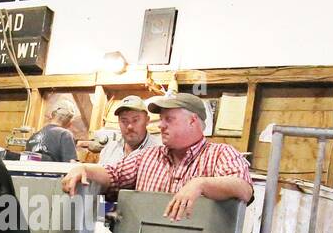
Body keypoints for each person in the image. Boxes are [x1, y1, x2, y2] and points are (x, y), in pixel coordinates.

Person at [60, 91, 253, 221]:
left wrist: (200, 184)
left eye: (169, 119)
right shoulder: (148, 156)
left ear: (192, 121)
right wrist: (84, 168)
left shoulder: (221, 154)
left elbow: (244, 189)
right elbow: (113, 174)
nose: (161, 125)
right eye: (161, 119)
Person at [83, 94, 161, 166]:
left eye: (135, 120)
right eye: (124, 121)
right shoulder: (109, 150)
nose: (130, 126)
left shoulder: (160, 151)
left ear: (147, 120)